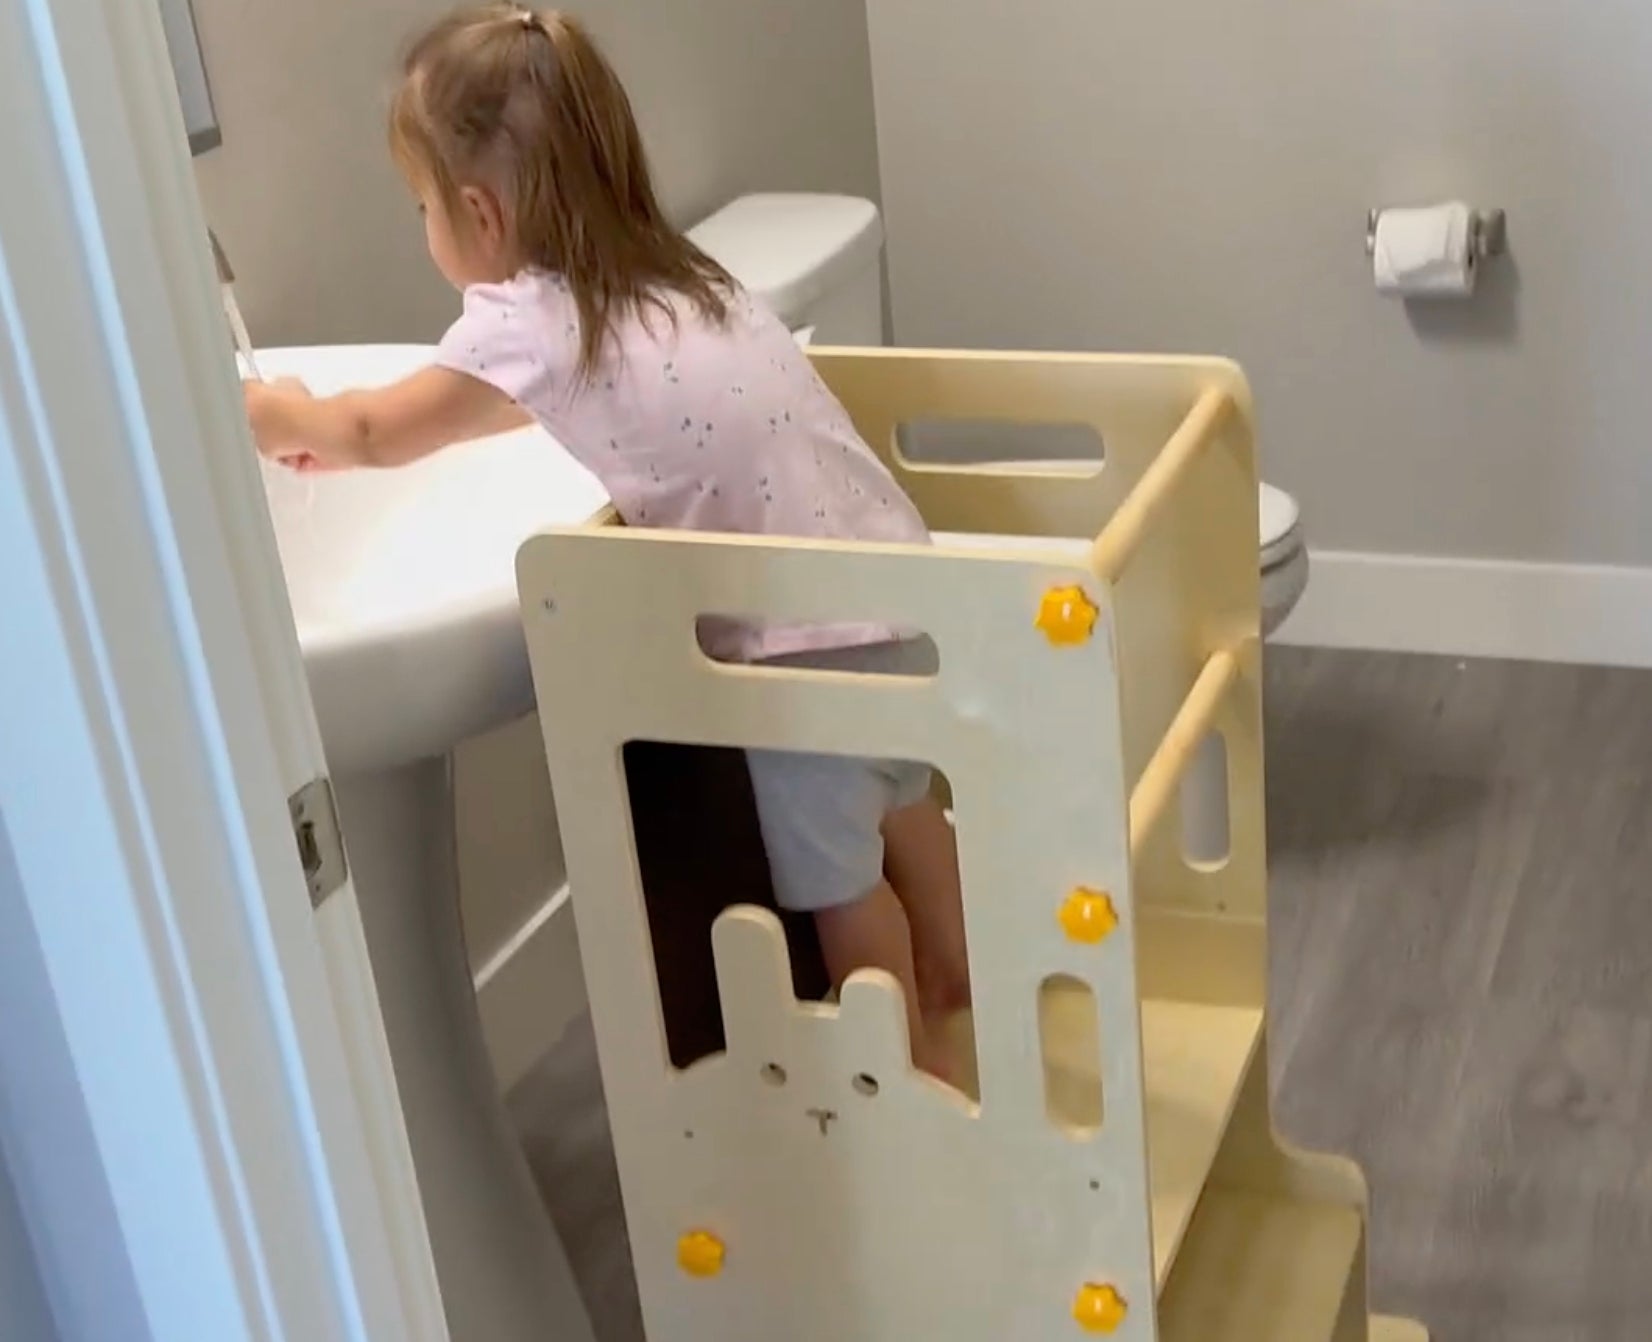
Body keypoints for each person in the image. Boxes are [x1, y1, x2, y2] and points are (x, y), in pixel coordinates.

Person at [242, 5, 969, 1076]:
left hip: (803, 651)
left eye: (421, 206)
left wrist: (277, 414)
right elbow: (560, 407)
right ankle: (961, 982)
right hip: (897, 591)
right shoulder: (672, 274)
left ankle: (900, 1073)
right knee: (905, 802)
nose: (425, 228)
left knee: (836, 886)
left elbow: (371, 431)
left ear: (479, 212)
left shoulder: (526, 322)